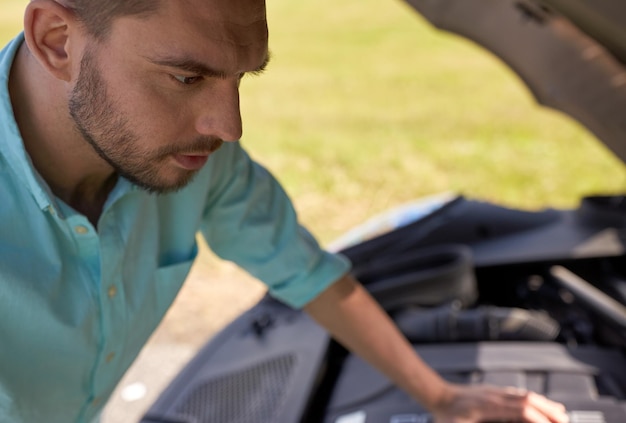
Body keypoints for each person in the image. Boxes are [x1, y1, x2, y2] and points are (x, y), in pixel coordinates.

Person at [0, 0, 570, 422]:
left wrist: (441, 396)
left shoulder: (196, 159)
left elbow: (309, 273)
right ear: (56, 40)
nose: (229, 127)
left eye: (241, 77)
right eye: (187, 77)